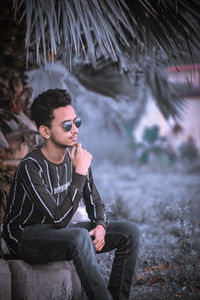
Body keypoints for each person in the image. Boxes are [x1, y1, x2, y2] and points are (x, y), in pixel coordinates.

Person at [3, 89, 140, 300]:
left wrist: (101, 225)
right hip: (25, 238)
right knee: (78, 236)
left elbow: (94, 200)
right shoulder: (31, 167)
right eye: (67, 125)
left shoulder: (76, 157)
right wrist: (79, 172)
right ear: (45, 131)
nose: (75, 129)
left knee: (129, 232)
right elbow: (58, 219)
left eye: (77, 122)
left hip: (59, 233)